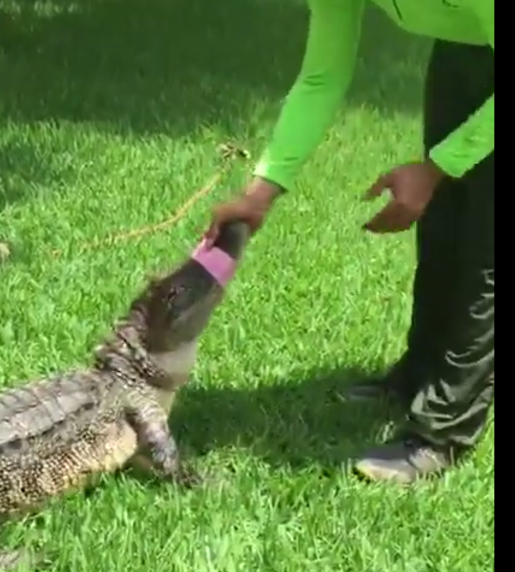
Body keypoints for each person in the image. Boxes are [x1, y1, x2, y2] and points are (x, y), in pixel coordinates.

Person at [206, 0, 494, 485]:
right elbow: (321, 77)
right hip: (464, 51)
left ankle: (442, 432)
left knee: (485, 254)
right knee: (444, 231)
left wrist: (435, 168)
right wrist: (259, 194)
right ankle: (417, 377)